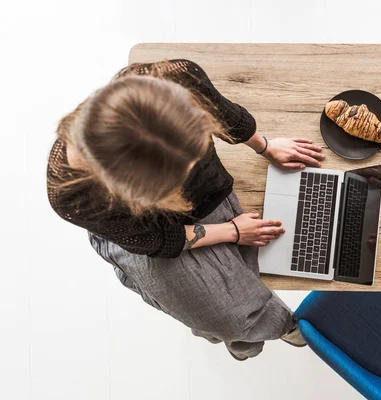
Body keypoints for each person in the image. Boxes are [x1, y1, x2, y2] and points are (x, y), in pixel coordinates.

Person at [46, 59, 325, 360]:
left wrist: (264, 145)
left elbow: (225, 114)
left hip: (202, 207)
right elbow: (156, 241)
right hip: (142, 236)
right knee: (223, 314)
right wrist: (231, 231)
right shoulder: (72, 195)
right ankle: (251, 331)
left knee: (240, 286)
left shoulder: (172, 78)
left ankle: (251, 334)